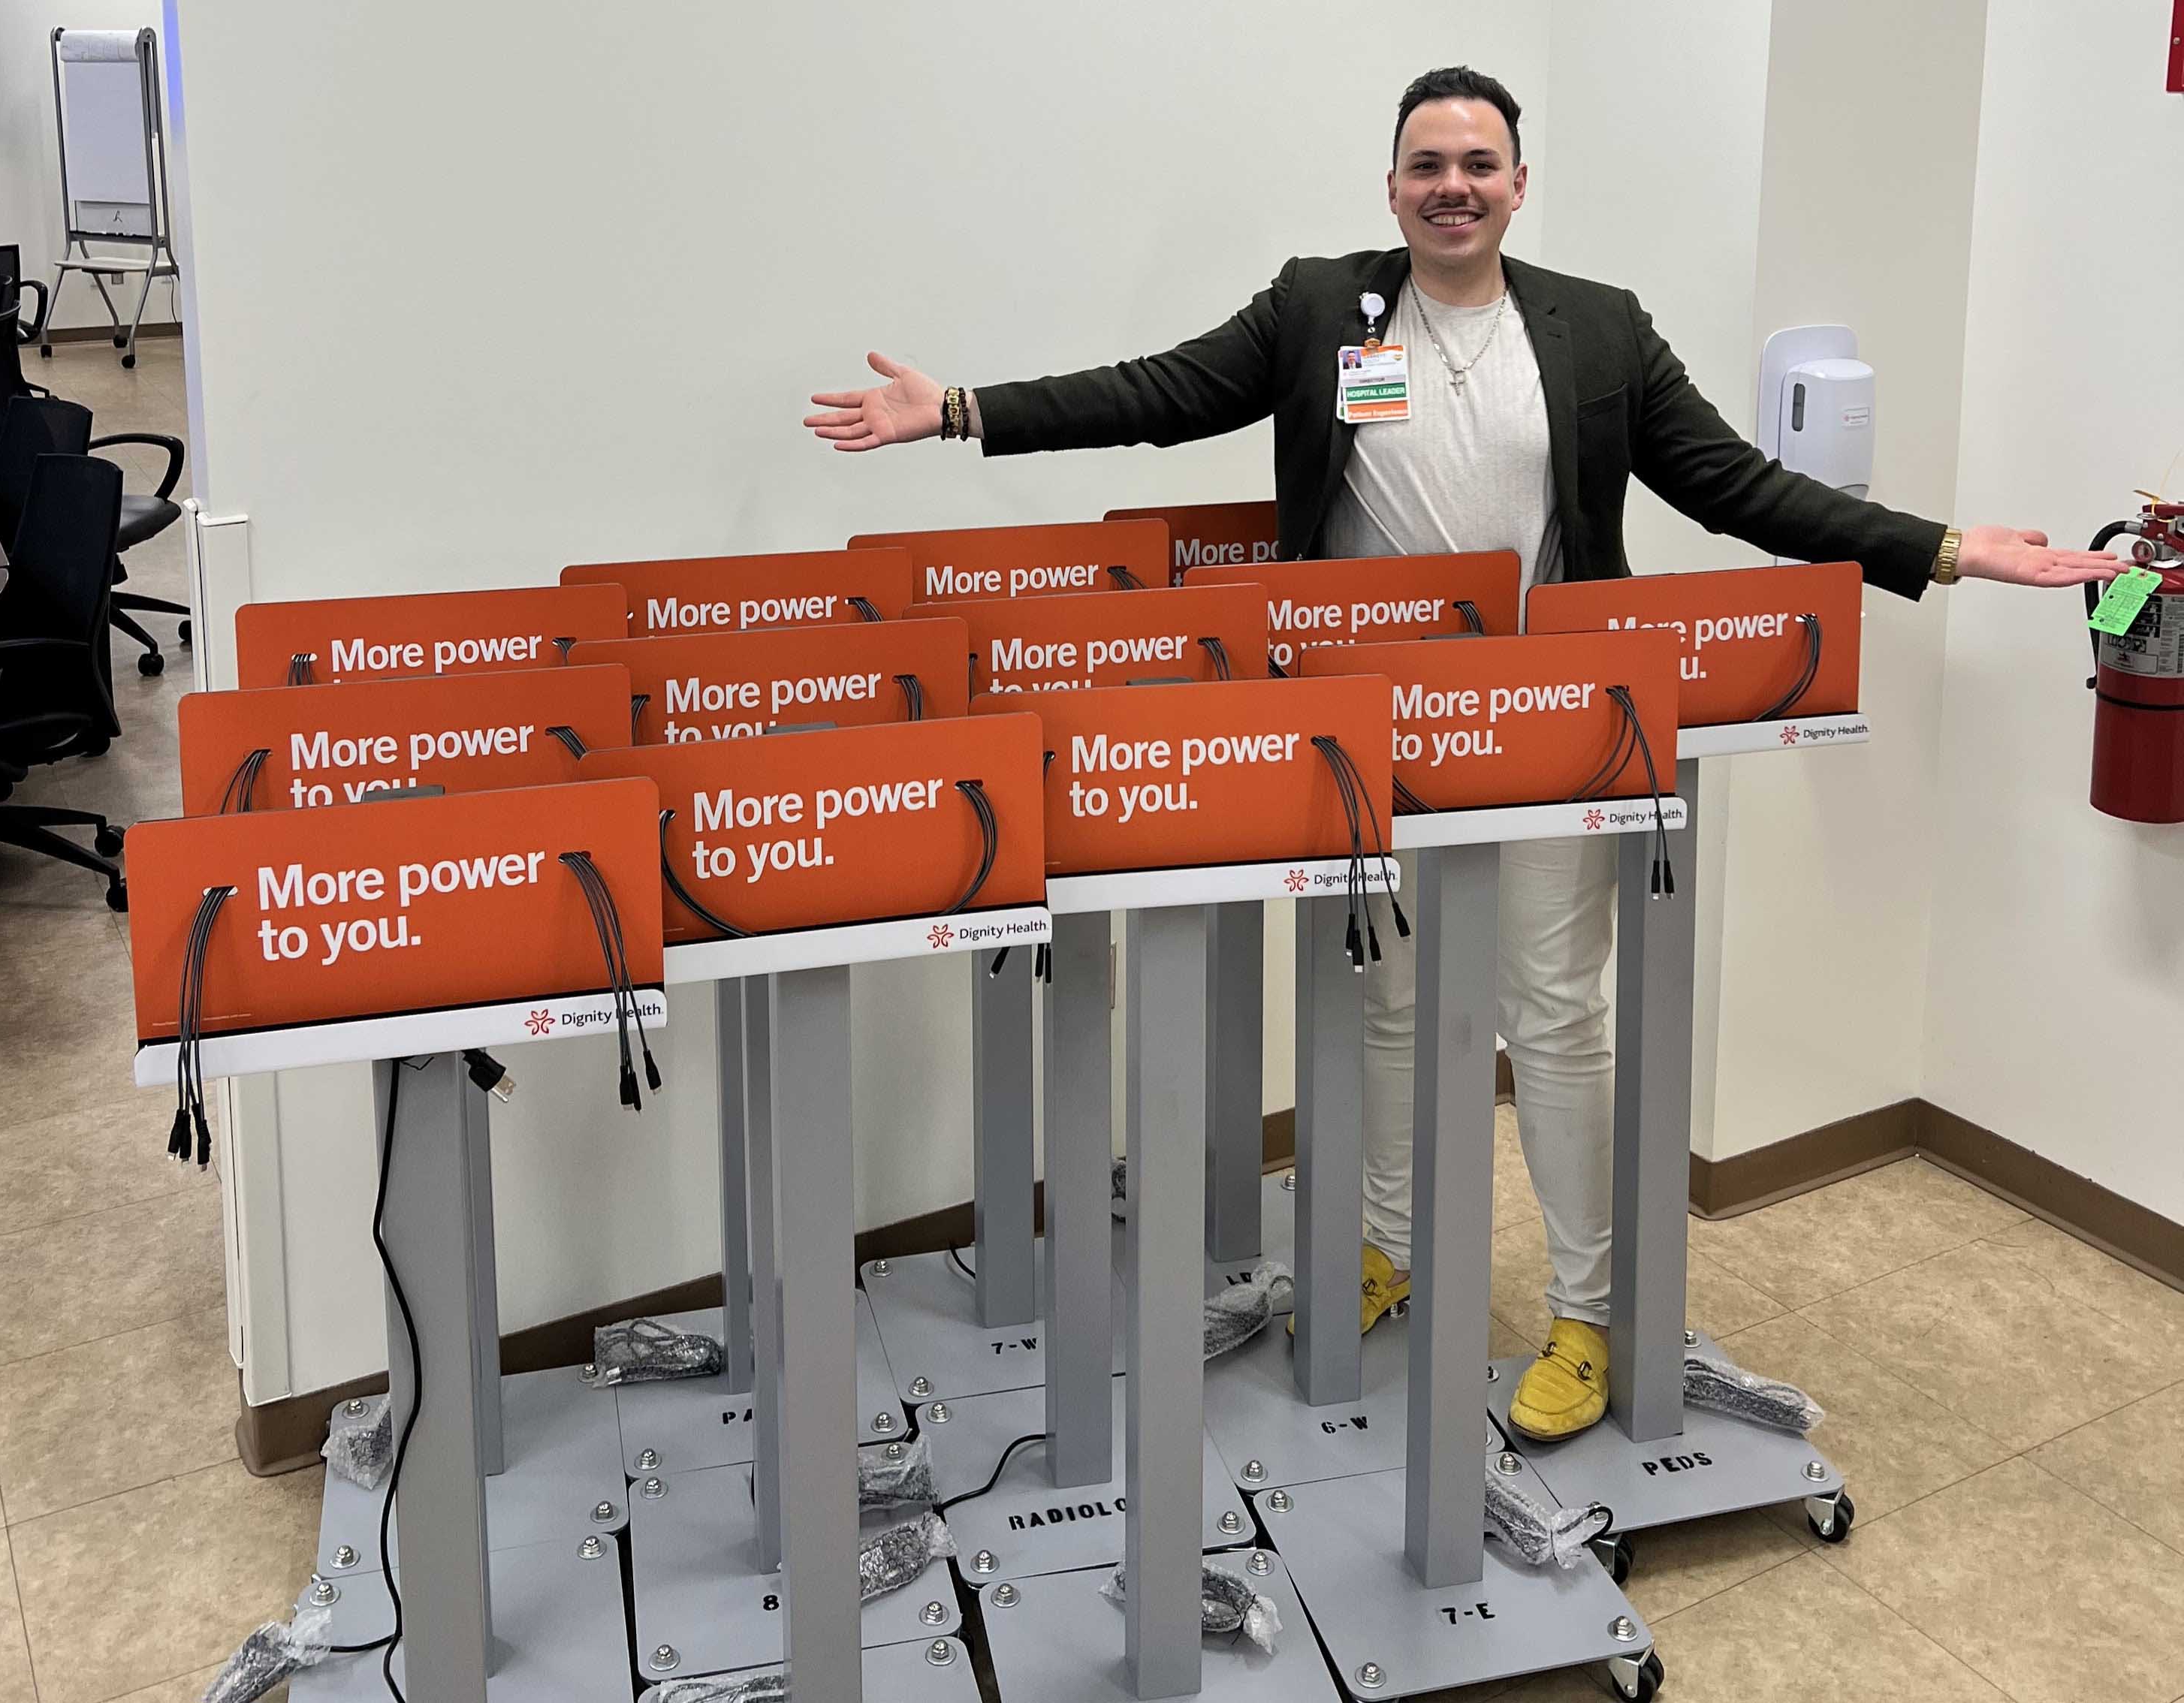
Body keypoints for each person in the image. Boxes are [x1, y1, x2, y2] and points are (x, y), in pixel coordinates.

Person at [803, 66, 2113, 1443]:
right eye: (1428, 163)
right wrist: (954, 411)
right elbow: (1160, 392)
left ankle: (1590, 1315)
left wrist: (1952, 551)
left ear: (1518, 186)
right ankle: (1387, 1250)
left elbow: (1735, 483)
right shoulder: (1320, 308)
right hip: (1373, 740)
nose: (1453, 185)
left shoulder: (1599, 333)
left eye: (1479, 163)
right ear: (1391, 188)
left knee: (1552, 1021)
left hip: (1550, 725)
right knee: (1390, 1007)